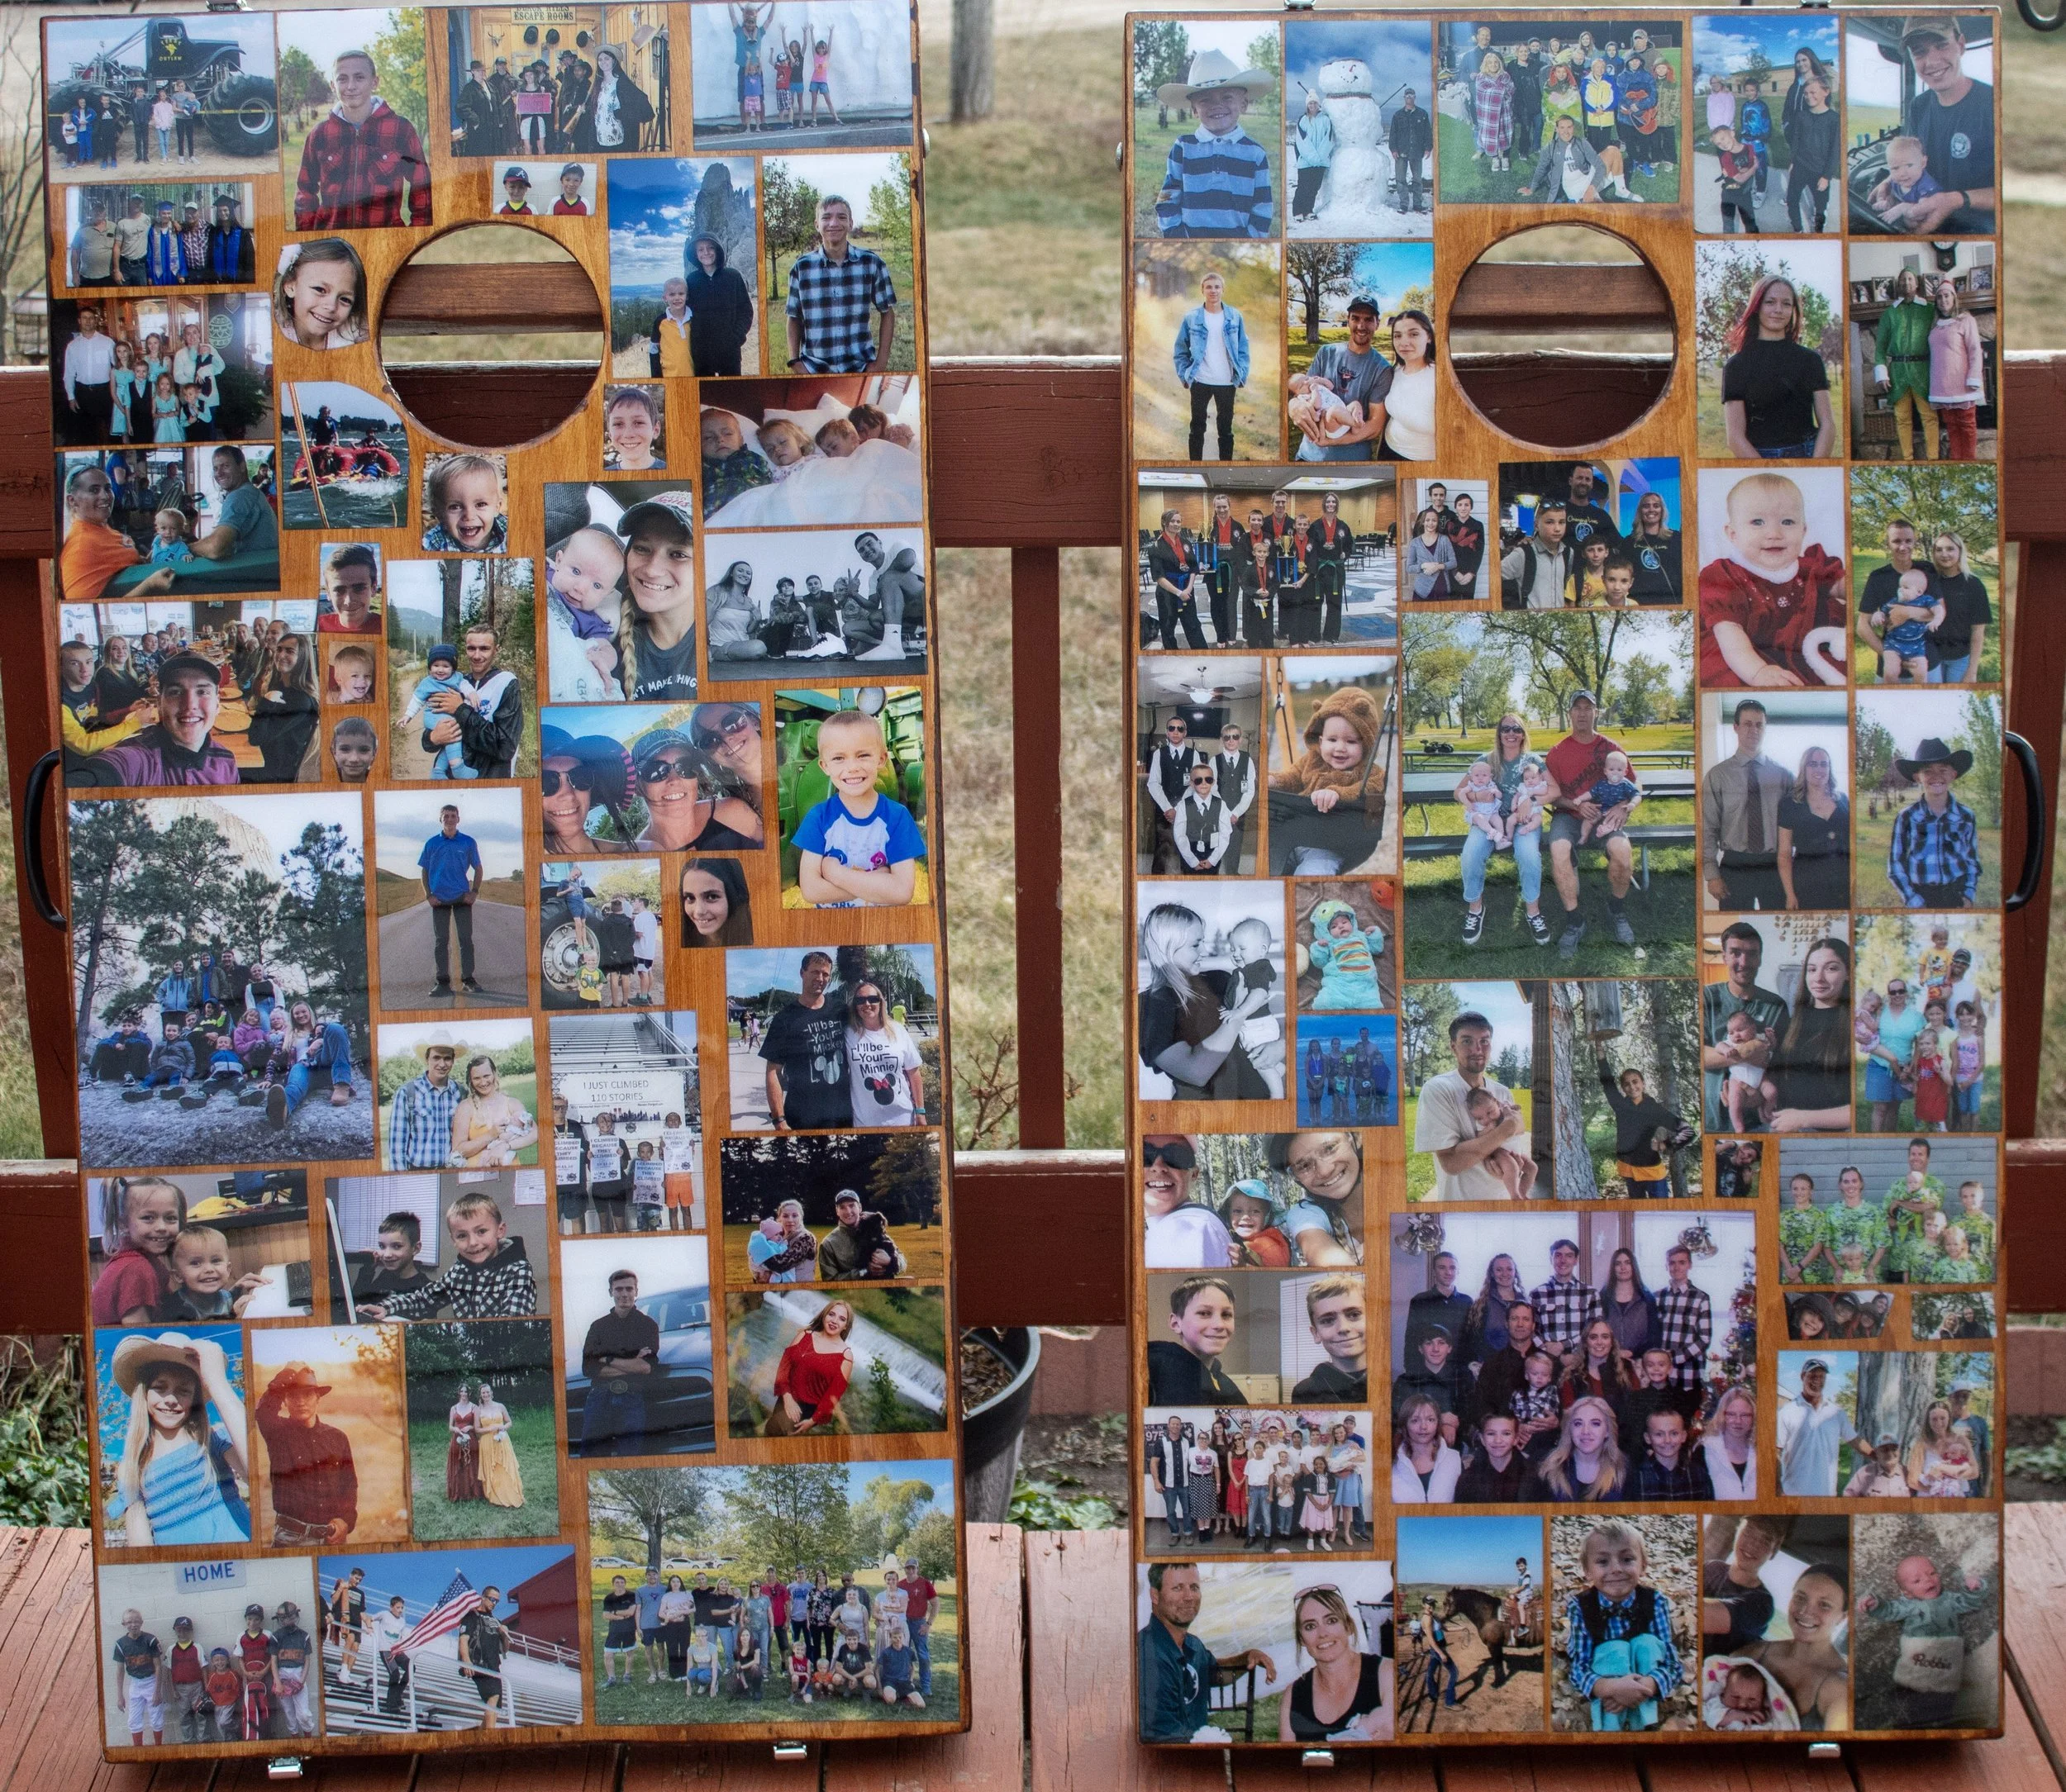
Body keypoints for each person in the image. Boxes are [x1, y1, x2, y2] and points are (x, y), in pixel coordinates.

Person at [106, 1330, 250, 1546]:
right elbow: (141, 1546)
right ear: (144, 1394)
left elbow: (261, 1472)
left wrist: (217, 1383)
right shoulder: (133, 1467)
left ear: (195, 1400)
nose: (171, 1399)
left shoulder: (213, 1441)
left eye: (183, 1390)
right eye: (160, 1388)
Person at [1864, 17, 1994, 235]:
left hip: (1979, 229)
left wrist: (1954, 200)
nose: (1931, 62)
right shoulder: (1919, 107)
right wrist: (1892, 179)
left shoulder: (1993, 103)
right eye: (1919, 52)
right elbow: (1911, 161)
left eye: (1941, 45)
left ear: (1960, 45)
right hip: (1924, 222)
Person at [295, 47, 431, 230]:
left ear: (375, 82)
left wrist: (415, 236)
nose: (351, 86)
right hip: (333, 244)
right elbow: (305, 190)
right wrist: (309, 236)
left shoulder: (400, 129)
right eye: (342, 78)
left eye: (359, 77)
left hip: (385, 242)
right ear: (332, 85)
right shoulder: (320, 134)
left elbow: (422, 186)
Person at [1138, 1563, 1277, 1742]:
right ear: (1155, 1596)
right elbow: (1163, 1734)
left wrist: (1247, 1657)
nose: (1189, 1597)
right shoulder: (1147, 1652)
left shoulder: (1192, 1644)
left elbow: (1216, 1674)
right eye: (1178, 1588)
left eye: (1194, 1587)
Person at [1565, 1521, 1683, 1731]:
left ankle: (1646, 1722)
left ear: (1643, 1565)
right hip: (1607, 1691)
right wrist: (1609, 1688)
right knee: (1612, 1649)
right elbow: (1579, 1666)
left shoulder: (1655, 1602)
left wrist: (1647, 1686)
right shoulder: (1580, 1607)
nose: (1616, 1569)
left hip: (1644, 1687)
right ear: (1587, 1570)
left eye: (1627, 1559)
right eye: (1603, 1562)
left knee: (1647, 1643)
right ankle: (1610, 1728)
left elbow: (1672, 1663)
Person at [1153, 51, 1274, 238]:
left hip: (1237, 250)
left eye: (1227, 97)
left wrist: (1249, 245)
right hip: (1191, 248)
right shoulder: (1183, 147)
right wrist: (1178, 239)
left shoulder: (1255, 153)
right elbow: (1167, 200)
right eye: (1205, 99)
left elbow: (1262, 208)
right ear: (1194, 109)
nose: (1216, 105)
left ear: (1244, 104)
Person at [1414, 1010, 1531, 1200]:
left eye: (1484, 1041)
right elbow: (1451, 1162)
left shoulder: (1502, 1091)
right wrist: (1506, 1129)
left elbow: (1520, 1129)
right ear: (1454, 1047)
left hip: (1506, 1198)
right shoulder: (1438, 1089)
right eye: (1467, 1041)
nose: (1477, 1050)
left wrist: (1511, 1163)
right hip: (1463, 1205)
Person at [1722, 277, 1834, 459]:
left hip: (1807, 453)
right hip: (1758, 457)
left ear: (1793, 310)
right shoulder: (1737, 366)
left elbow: (1827, 425)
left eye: (1786, 304)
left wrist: (1815, 467)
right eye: (1770, 302)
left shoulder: (1810, 360)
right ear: (1756, 307)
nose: (1778, 310)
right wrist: (1764, 470)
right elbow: (1735, 438)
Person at [785, 195, 896, 374]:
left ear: (850, 224)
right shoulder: (801, 268)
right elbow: (793, 317)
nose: (833, 223)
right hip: (814, 369)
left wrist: (881, 363)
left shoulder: (872, 263)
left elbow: (887, 312)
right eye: (826, 217)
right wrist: (795, 362)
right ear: (817, 224)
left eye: (841, 217)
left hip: (860, 368)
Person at [254, 1362, 357, 1546]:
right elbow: (263, 1411)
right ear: (284, 1400)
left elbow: (349, 1486)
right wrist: (288, 1372)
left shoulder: (338, 1438)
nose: (301, 1402)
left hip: (331, 1538)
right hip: (290, 1538)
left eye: (307, 1394)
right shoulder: (277, 1432)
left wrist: (345, 1521)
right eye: (293, 1396)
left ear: (318, 1397)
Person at [1278, 1585, 1392, 1741]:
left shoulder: (1386, 1674)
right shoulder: (1293, 1696)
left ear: (1349, 1626)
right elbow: (1286, 1761)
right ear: (1301, 1639)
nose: (1323, 1634)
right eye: (1310, 1626)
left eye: (1331, 1621)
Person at [760, 950, 853, 1130]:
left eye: (825, 974)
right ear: (802, 973)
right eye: (815, 972)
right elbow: (773, 1073)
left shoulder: (841, 1011)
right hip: (802, 1118)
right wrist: (779, 1120)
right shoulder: (784, 1019)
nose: (820, 978)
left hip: (843, 1115)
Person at [1289, 297, 1391, 460]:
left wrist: (1331, 441)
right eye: (1355, 318)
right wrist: (1293, 405)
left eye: (1368, 320)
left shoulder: (1382, 369)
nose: (1361, 326)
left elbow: (1375, 425)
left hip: (1352, 462)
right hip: (1309, 455)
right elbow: (1302, 390)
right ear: (1348, 320)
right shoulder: (1326, 353)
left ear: (1377, 324)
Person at [1887, 737, 1982, 908]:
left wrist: (1968, 894)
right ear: (1917, 777)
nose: (1936, 776)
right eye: (1928, 771)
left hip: (1956, 894)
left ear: (1953, 775)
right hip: (1921, 896)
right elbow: (1896, 865)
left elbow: (1972, 861)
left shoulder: (1966, 816)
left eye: (1943, 770)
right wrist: (1913, 900)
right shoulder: (1907, 817)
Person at [581, 1269, 660, 1455]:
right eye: (618, 1289)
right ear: (611, 1292)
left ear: (636, 1292)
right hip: (598, 1399)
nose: (624, 1294)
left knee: (630, 1458)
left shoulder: (648, 1326)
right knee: (589, 1457)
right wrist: (632, 1363)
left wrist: (607, 1359)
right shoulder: (598, 1327)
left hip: (633, 1398)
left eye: (629, 1289)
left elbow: (646, 1367)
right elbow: (588, 1368)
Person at [1173, 271, 1249, 463]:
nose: (1213, 290)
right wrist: (1184, 375)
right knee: (1197, 427)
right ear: (1202, 290)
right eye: (1209, 287)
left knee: (1226, 430)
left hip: (1227, 381)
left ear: (1223, 289)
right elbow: (1180, 349)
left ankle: (1225, 466)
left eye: (1217, 287)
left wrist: (1242, 373)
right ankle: (1195, 466)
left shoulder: (1234, 316)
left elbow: (1243, 349)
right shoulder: (1191, 318)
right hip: (1201, 381)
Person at [766, 1299, 856, 1435]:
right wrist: (787, 1397)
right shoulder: (804, 1335)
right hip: (786, 1398)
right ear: (824, 1315)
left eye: (842, 1319)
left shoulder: (846, 1357)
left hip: (807, 1412)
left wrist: (813, 1420)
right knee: (772, 1434)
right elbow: (785, 1367)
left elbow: (832, 1396)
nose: (834, 1321)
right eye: (831, 1314)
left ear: (845, 1326)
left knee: (778, 1436)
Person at [1777, 743, 1849, 910]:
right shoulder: (1790, 804)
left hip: (1842, 883)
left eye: (1824, 764)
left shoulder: (1843, 801)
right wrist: (1790, 894)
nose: (1819, 769)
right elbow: (1784, 854)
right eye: (1813, 764)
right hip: (1807, 884)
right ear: (1804, 768)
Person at [680, 233, 756, 378]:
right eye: (700, 250)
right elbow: (683, 311)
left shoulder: (733, 277)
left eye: (710, 248)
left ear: (718, 250)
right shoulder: (691, 281)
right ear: (696, 254)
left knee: (731, 393)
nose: (706, 253)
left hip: (730, 353)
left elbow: (746, 311)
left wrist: (736, 338)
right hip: (701, 354)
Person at [1922, 530, 1992, 683]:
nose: (1944, 554)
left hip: (1960, 659)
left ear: (1960, 550)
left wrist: (1972, 672)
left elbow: (1978, 632)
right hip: (1930, 656)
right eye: (1939, 550)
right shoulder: (1928, 582)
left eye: (1950, 549)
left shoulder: (1974, 585)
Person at [387, 1041, 462, 1172]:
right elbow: (397, 1149)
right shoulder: (408, 1092)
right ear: (427, 1059)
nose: (442, 1064)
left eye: (447, 1058)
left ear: (453, 1061)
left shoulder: (460, 1092)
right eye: (436, 1057)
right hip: (418, 1170)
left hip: (452, 1169)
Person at [1784, 74, 1840, 232]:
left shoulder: (1834, 119)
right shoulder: (1801, 116)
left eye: (1813, 92)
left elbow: (1835, 150)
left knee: (1820, 204)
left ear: (1826, 91)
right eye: (1806, 93)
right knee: (1792, 200)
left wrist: (1827, 176)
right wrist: (1792, 162)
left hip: (1820, 171)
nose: (1808, 97)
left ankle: (1818, 227)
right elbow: (1796, 142)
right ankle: (1798, 229)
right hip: (1800, 166)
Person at [456, 1588, 511, 1728]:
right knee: (493, 1699)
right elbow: (463, 1639)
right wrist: (466, 1661)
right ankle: (490, 1740)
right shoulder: (472, 1616)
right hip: (479, 1664)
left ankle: (480, 1735)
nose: (494, 1603)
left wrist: (505, 1636)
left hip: (494, 1667)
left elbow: (504, 1650)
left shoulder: (496, 1621)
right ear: (483, 1597)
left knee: (495, 1708)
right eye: (492, 1599)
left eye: (497, 1601)